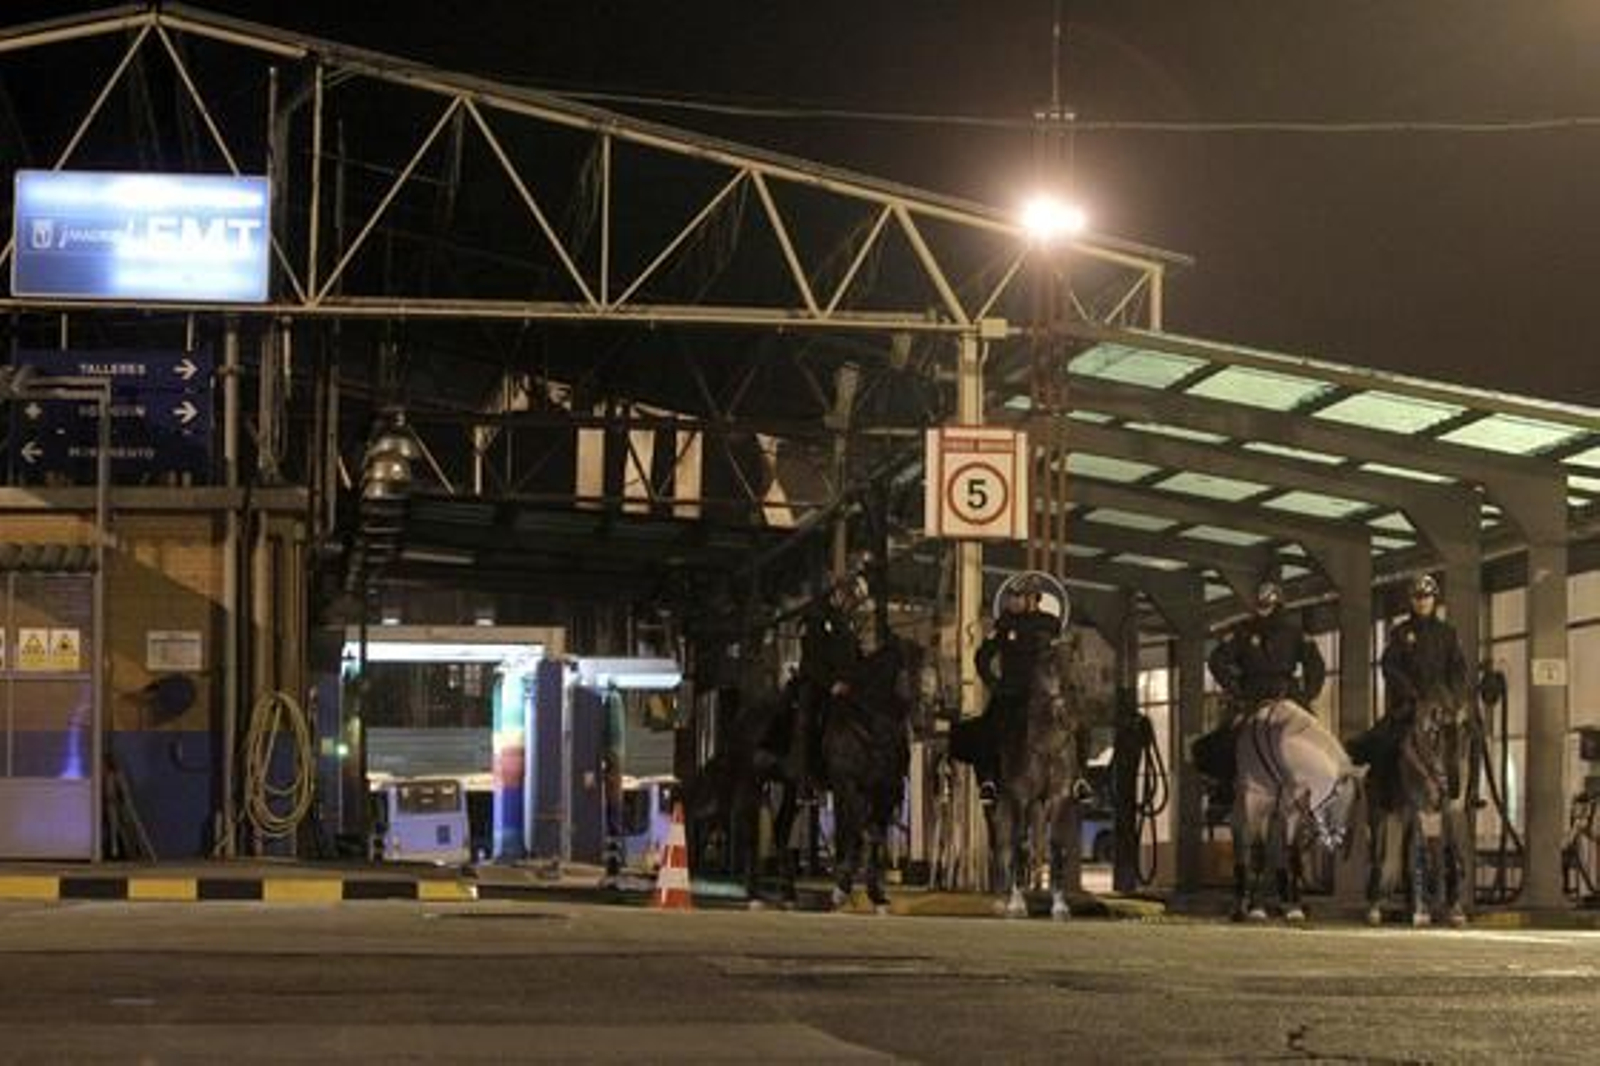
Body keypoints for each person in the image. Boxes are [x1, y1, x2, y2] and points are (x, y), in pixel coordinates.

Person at [1194, 580, 1327, 805]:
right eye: (1262, 604)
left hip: (1264, 696)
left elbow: (1217, 661)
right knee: (1226, 739)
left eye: (1266, 604)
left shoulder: (1246, 631)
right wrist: (1307, 695)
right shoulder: (1286, 632)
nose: (1263, 609)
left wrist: (1236, 690)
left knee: (1227, 740)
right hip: (1271, 696)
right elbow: (1217, 661)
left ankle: (1224, 791)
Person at [1351, 574, 1469, 798]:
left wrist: (1456, 698)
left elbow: (1458, 668)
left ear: (1434, 599)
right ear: (1411, 601)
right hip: (1409, 704)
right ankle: (1382, 793)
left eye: (1426, 597)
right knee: (1385, 742)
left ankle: (1465, 794)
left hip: (1442, 704)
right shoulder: (1400, 633)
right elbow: (1390, 665)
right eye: (1417, 597)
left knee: (1468, 740)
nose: (1422, 602)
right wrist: (1409, 692)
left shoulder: (1448, 633)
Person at [968, 576, 1059, 805]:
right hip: (1010, 691)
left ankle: (1079, 779)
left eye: (1018, 597)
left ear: (1033, 599)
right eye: (1011, 597)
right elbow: (982, 657)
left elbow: (1060, 657)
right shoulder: (1004, 623)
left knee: (1077, 726)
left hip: (1044, 693)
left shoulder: (1050, 624)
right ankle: (988, 781)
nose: (1012, 601)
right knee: (984, 731)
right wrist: (993, 683)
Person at [791, 571, 864, 803]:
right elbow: (812, 657)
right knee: (806, 720)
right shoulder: (816, 616)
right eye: (851, 597)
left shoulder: (846, 623)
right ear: (839, 593)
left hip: (845, 686)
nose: (852, 604)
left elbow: (854, 655)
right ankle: (804, 781)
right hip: (817, 682)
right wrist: (832, 683)